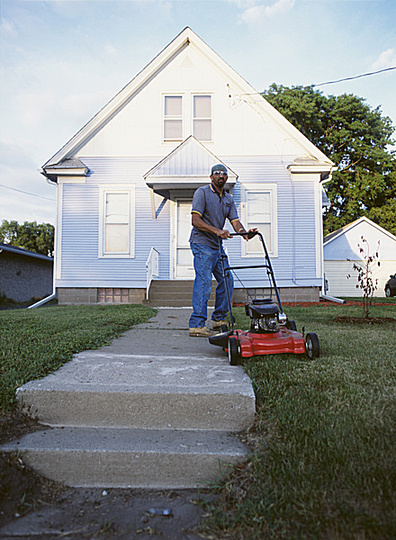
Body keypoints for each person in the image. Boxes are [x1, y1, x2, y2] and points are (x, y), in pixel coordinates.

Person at [188, 164, 256, 337]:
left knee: (227, 280)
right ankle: (197, 324)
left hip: (217, 246)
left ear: (226, 178)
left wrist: (244, 233)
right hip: (202, 243)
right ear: (211, 177)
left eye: (224, 173)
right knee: (204, 282)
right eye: (217, 173)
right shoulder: (202, 193)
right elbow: (195, 220)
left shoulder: (228, 199)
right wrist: (217, 230)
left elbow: (235, 222)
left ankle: (218, 318)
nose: (221, 176)